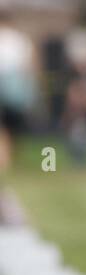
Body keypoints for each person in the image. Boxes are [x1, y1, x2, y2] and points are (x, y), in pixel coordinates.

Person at [0, 12, 38, 173]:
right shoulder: (20, 39)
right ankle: (6, 158)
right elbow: (30, 66)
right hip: (16, 86)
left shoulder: (18, 39)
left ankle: (5, 158)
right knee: (10, 125)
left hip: (11, 84)